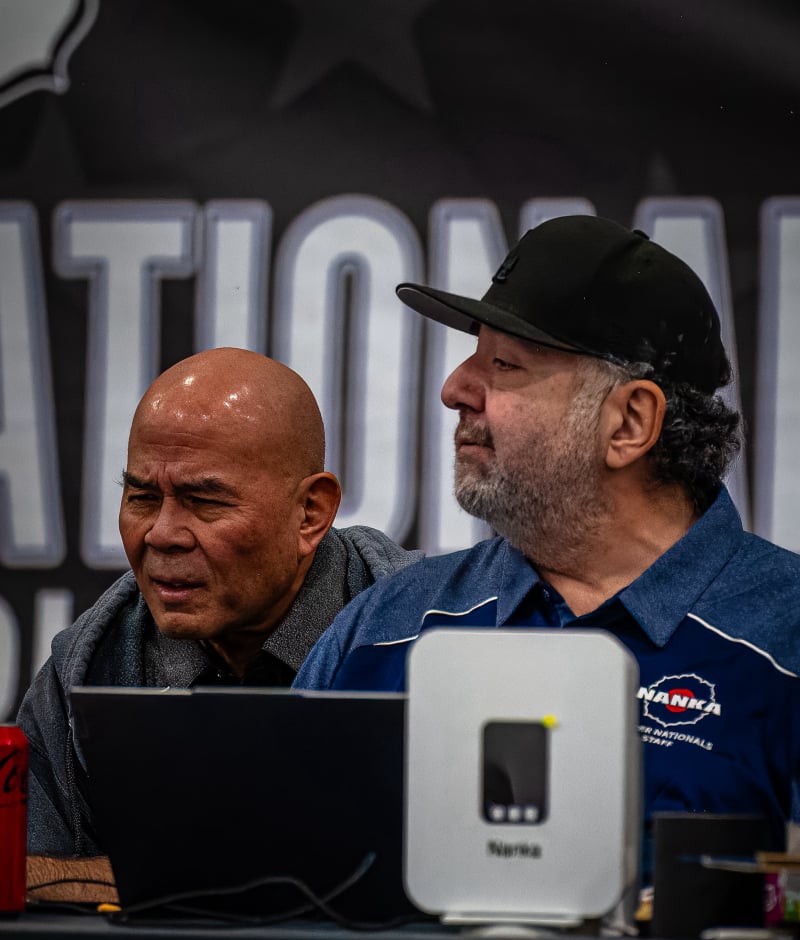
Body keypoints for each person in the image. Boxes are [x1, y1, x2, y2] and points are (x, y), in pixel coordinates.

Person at [294, 214, 800, 875]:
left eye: (504, 363)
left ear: (630, 421)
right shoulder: (383, 629)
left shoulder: (785, 641)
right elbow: (277, 877)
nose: (455, 389)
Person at [19, 346, 422, 900]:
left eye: (204, 501)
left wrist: (138, 881)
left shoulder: (431, 635)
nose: (162, 534)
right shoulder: (89, 662)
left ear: (310, 512)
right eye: (142, 496)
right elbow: (23, 879)